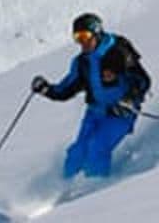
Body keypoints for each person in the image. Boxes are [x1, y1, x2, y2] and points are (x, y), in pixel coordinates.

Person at [31, 13, 151, 178]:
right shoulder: (82, 63)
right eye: (77, 37)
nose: (82, 42)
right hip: (94, 113)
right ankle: (63, 187)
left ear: (96, 33)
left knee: (97, 146)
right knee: (77, 152)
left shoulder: (118, 52)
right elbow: (65, 90)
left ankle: (95, 187)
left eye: (85, 36)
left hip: (120, 113)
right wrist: (46, 89)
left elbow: (142, 80)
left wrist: (130, 99)